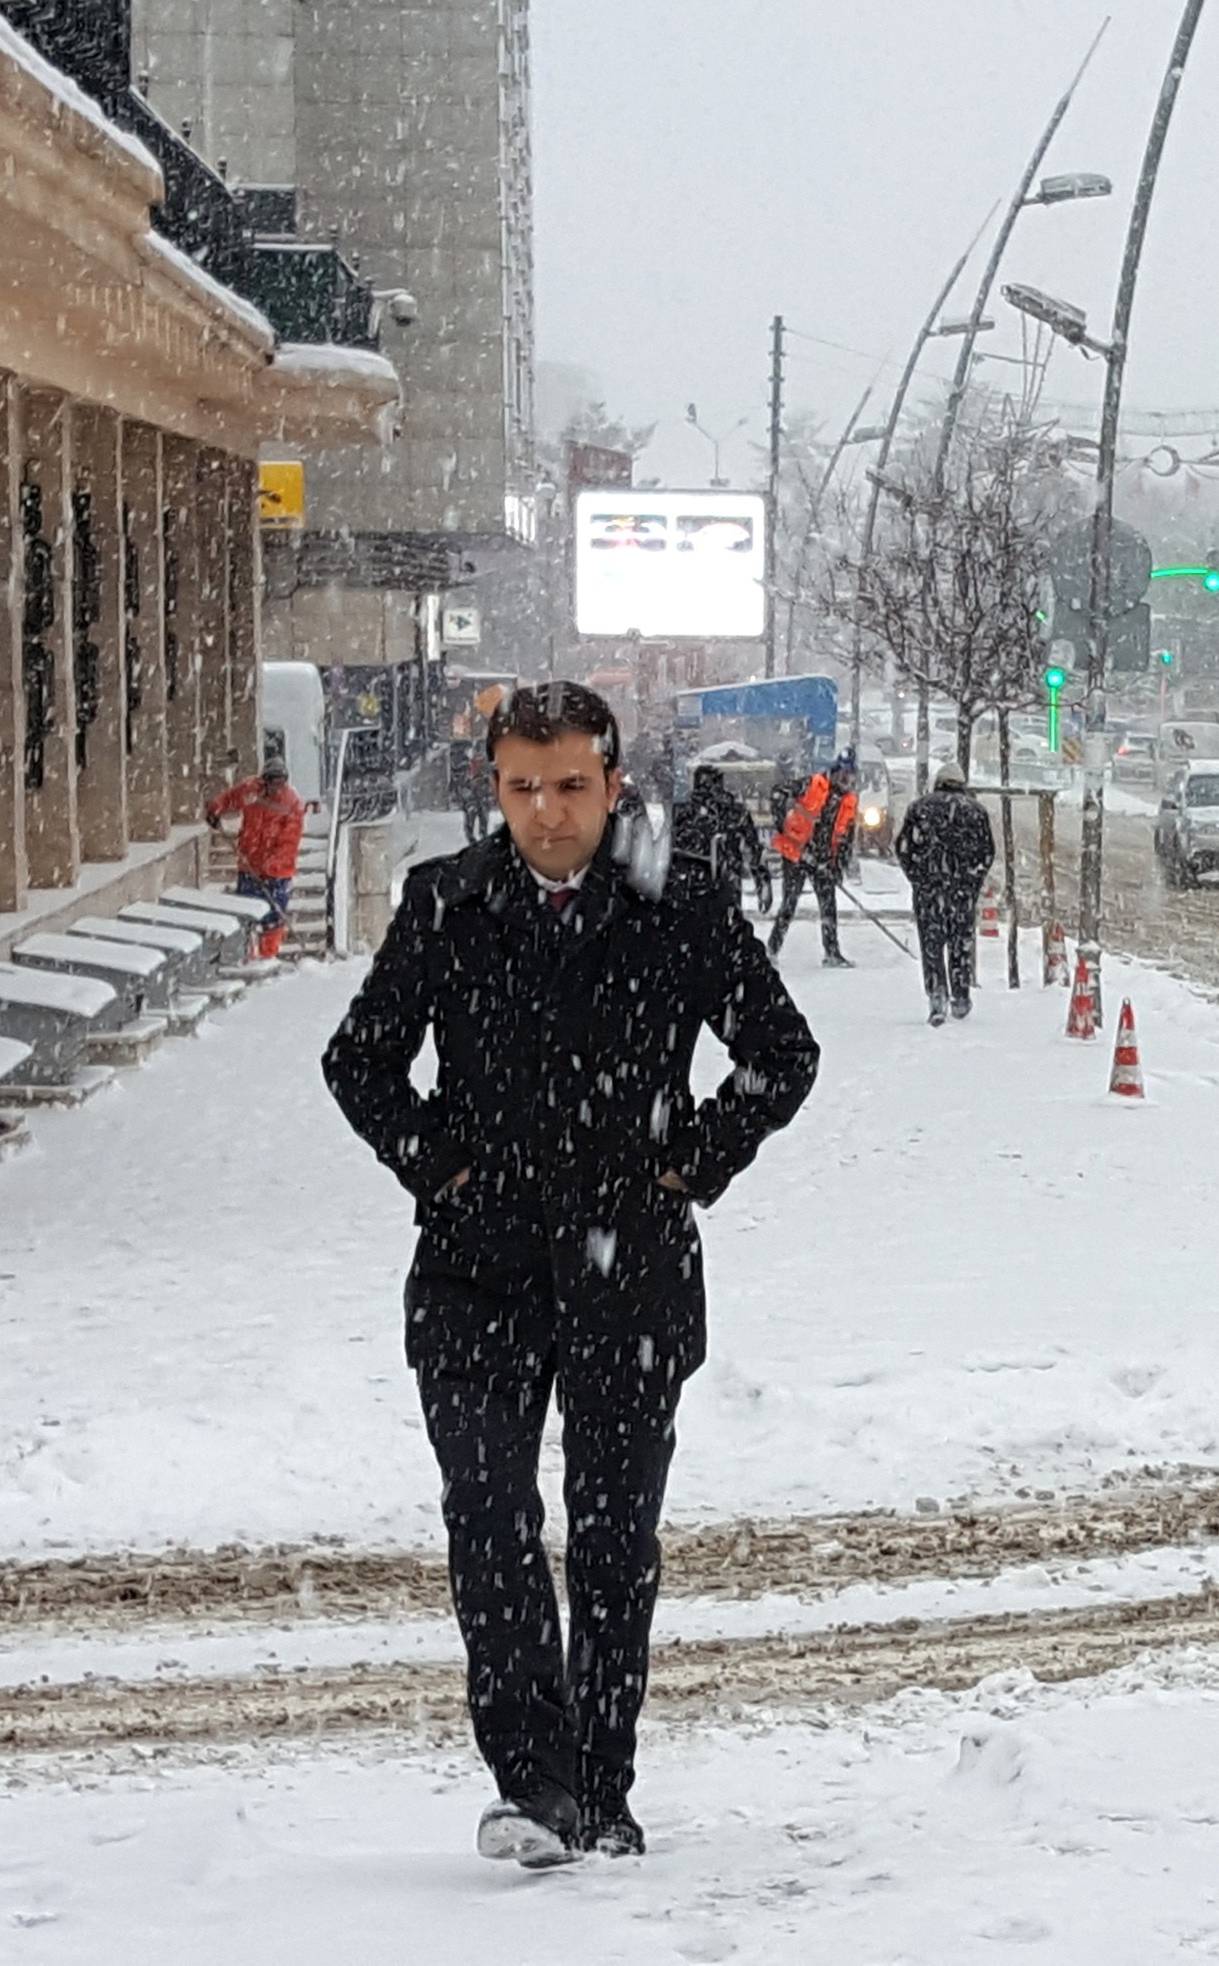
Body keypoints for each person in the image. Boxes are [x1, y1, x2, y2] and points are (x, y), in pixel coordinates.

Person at [322, 681, 819, 1868]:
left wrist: (681, 1168)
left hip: (628, 1280)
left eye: (570, 787)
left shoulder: (678, 907)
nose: (547, 814)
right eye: (521, 787)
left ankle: (601, 1789)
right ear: (493, 788)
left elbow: (781, 1054)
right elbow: (360, 1063)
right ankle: (531, 1782)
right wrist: (440, 1171)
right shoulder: (450, 905)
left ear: (611, 782)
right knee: (488, 1526)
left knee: (609, 1544)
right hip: (475, 1279)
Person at [894, 770, 996, 1025]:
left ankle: (937, 994)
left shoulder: (919, 809)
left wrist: (918, 879)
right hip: (962, 892)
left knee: (932, 945)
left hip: (929, 890)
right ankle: (961, 996)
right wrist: (972, 882)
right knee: (960, 944)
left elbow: (903, 848)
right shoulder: (976, 812)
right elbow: (987, 852)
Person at [204, 755, 306, 959]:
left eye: (281, 783)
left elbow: (288, 843)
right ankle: (246, 955)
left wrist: (268, 866)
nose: (277, 788)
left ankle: (268, 955)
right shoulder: (251, 790)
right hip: (248, 865)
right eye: (273, 783)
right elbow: (229, 799)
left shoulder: (293, 804)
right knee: (246, 914)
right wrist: (215, 809)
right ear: (264, 781)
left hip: (277, 873)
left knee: (273, 918)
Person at [768, 755, 860, 966]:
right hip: (796, 854)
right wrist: (782, 824)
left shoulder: (848, 802)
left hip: (824, 860)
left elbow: (845, 839)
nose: (847, 782)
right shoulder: (812, 784)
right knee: (789, 904)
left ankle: (832, 953)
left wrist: (838, 867)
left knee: (829, 907)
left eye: (851, 778)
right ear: (835, 772)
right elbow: (778, 793)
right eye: (844, 776)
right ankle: (772, 949)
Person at [676, 763, 764, 912]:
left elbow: (669, 849)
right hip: (716, 878)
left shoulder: (684, 812)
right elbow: (753, 847)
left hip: (698, 880)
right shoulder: (734, 812)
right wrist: (760, 879)